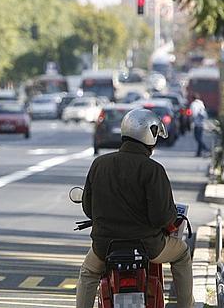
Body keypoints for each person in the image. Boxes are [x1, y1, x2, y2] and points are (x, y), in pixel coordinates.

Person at [76, 108, 194, 308]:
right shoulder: (153, 170)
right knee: (182, 254)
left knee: (89, 273)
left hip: (105, 247)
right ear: (150, 134)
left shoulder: (99, 164)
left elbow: (88, 209)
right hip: (148, 247)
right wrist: (173, 216)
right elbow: (161, 217)